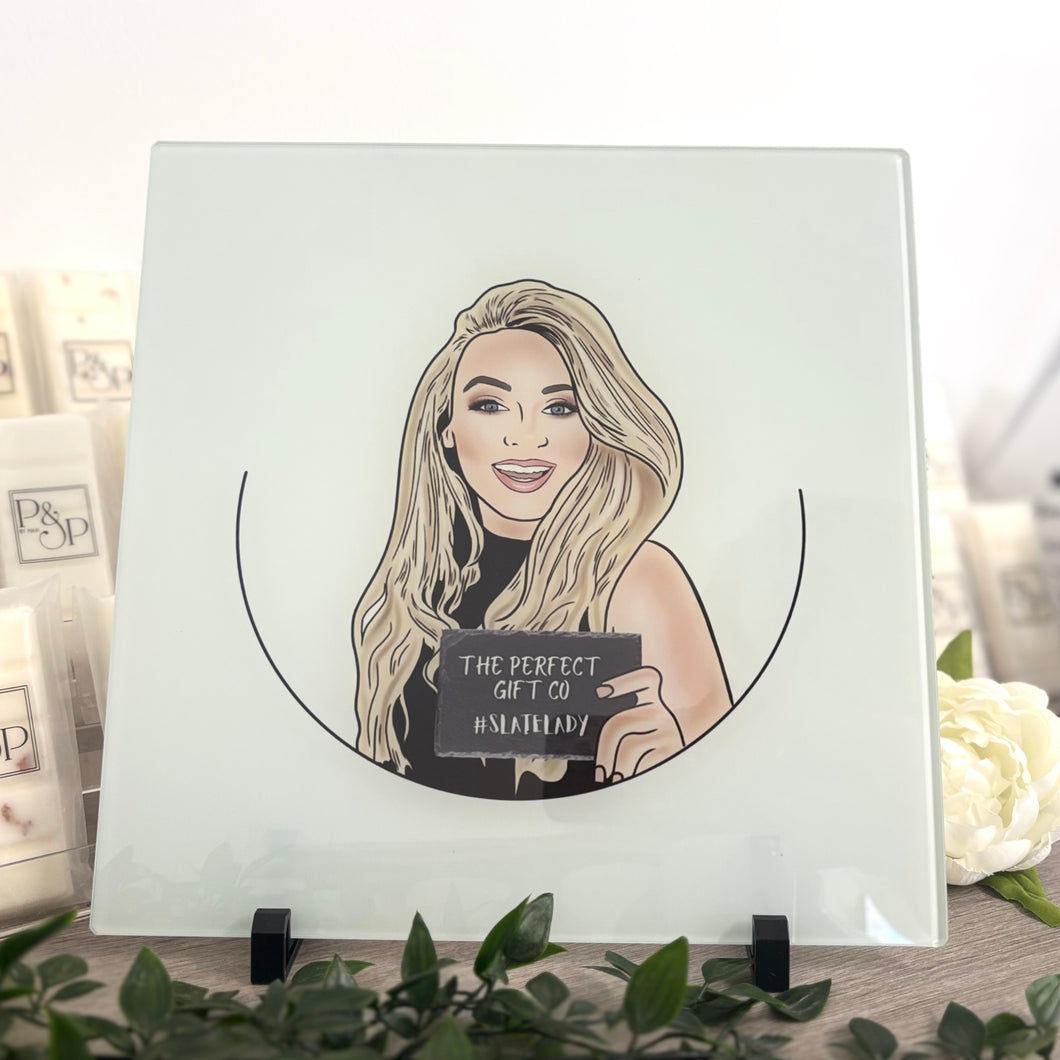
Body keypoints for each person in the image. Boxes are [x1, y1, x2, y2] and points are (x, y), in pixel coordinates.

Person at [352, 279, 730, 798]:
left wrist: (673, 753)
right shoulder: (415, 592)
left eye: (559, 407)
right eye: (490, 405)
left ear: (598, 426)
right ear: (446, 428)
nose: (526, 437)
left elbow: (721, 779)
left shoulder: (634, 575)